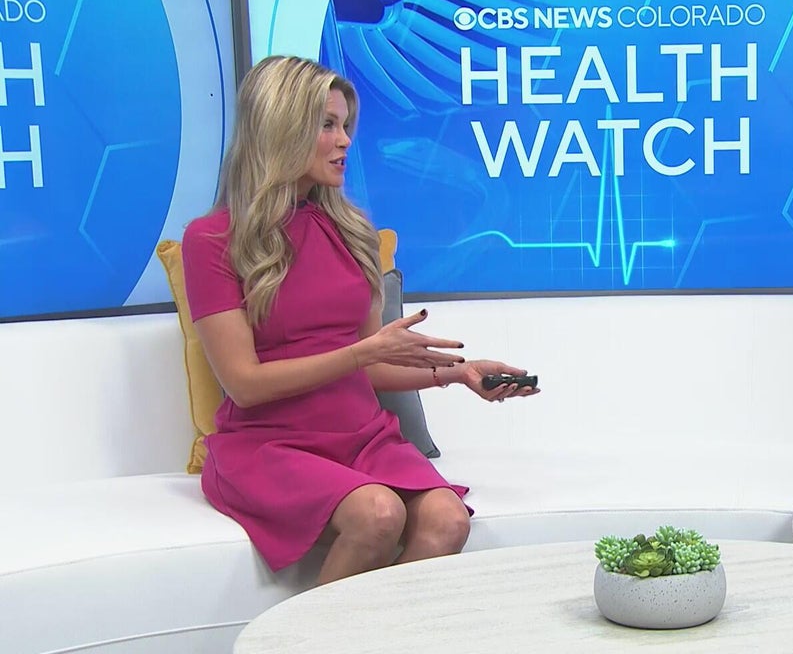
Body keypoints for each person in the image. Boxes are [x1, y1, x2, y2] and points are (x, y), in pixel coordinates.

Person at [181, 54, 540, 585]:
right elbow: (245, 385)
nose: (345, 140)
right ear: (281, 127)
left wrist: (458, 374)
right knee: (378, 515)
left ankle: (376, 631)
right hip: (270, 444)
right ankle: (304, 633)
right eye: (327, 125)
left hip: (360, 436)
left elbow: (370, 365)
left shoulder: (353, 232)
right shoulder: (211, 239)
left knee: (446, 521)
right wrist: (359, 353)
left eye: (346, 125)